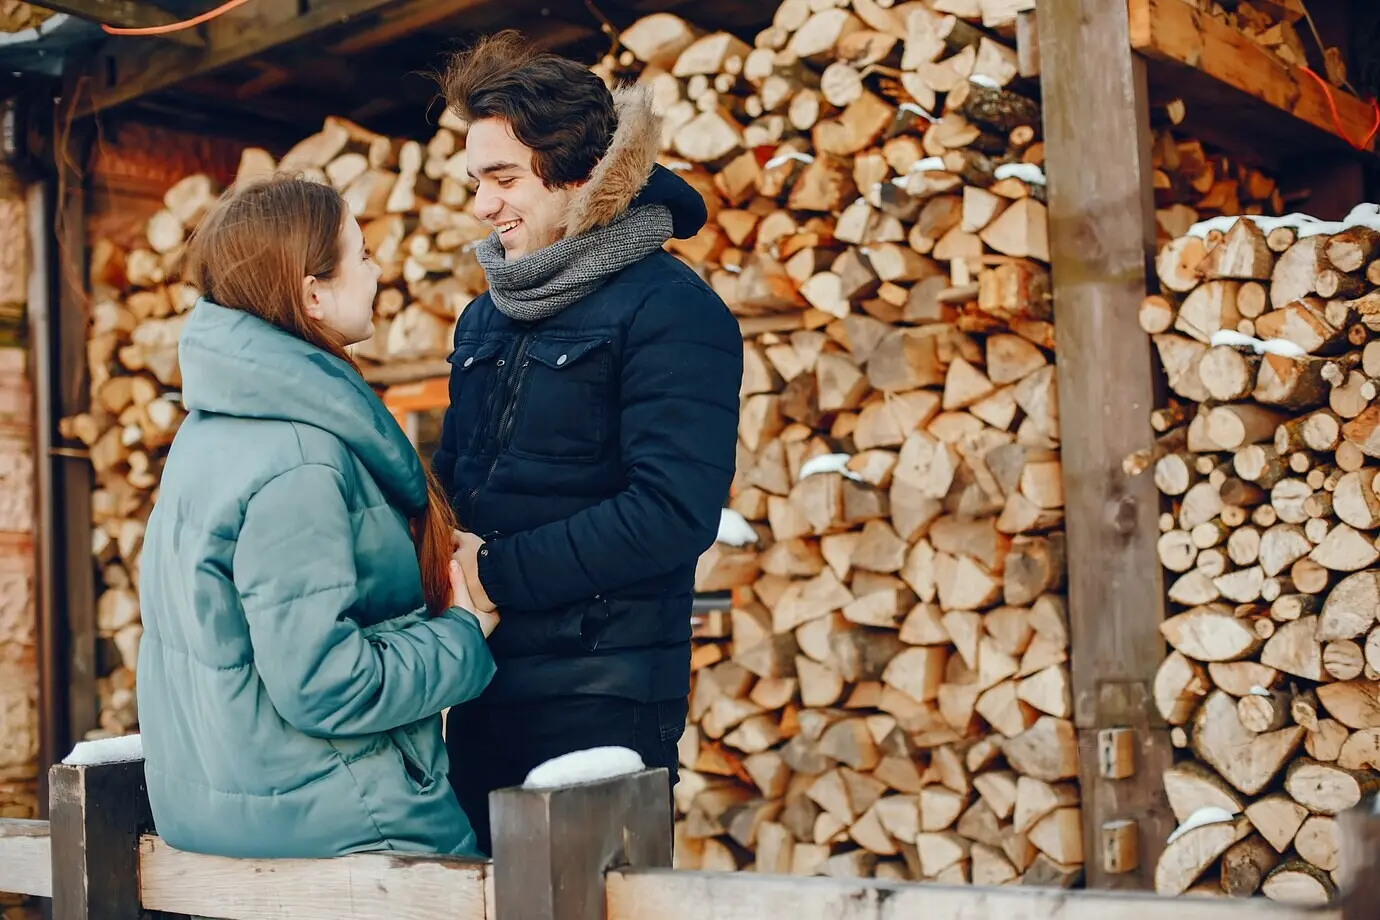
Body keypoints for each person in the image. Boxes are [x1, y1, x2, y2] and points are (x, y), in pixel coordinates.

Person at [432, 31, 744, 853]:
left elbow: (671, 513)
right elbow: (453, 481)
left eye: (502, 179)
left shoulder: (674, 311)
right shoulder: (485, 316)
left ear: (575, 170)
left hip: (600, 702)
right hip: (476, 684)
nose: (482, 206)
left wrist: (494, 574)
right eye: (475, 182)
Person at [135, 175, 499, 860]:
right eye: (361, 254)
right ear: (312, 295)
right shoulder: (300, 457)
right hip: (345, 824)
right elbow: (325, 685)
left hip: (236, 808)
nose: (377, 269)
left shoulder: (211, 430)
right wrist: (461, 631)